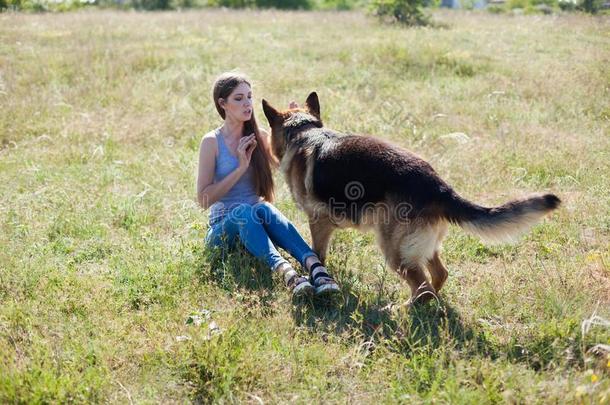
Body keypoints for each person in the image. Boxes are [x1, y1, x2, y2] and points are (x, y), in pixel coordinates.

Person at [196, 71, 341, 301]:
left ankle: (315, 268)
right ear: (222, 104)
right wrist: (240, 168)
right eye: (239, 98)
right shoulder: (212, 142)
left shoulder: (260, 136)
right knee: (244, 211)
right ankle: (287, 273)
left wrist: (296, 124)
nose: (247, 104)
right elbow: (203, 200)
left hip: (258, 223)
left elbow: (287, 166)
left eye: (249, 97)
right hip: (222, 232)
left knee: (263, 208)